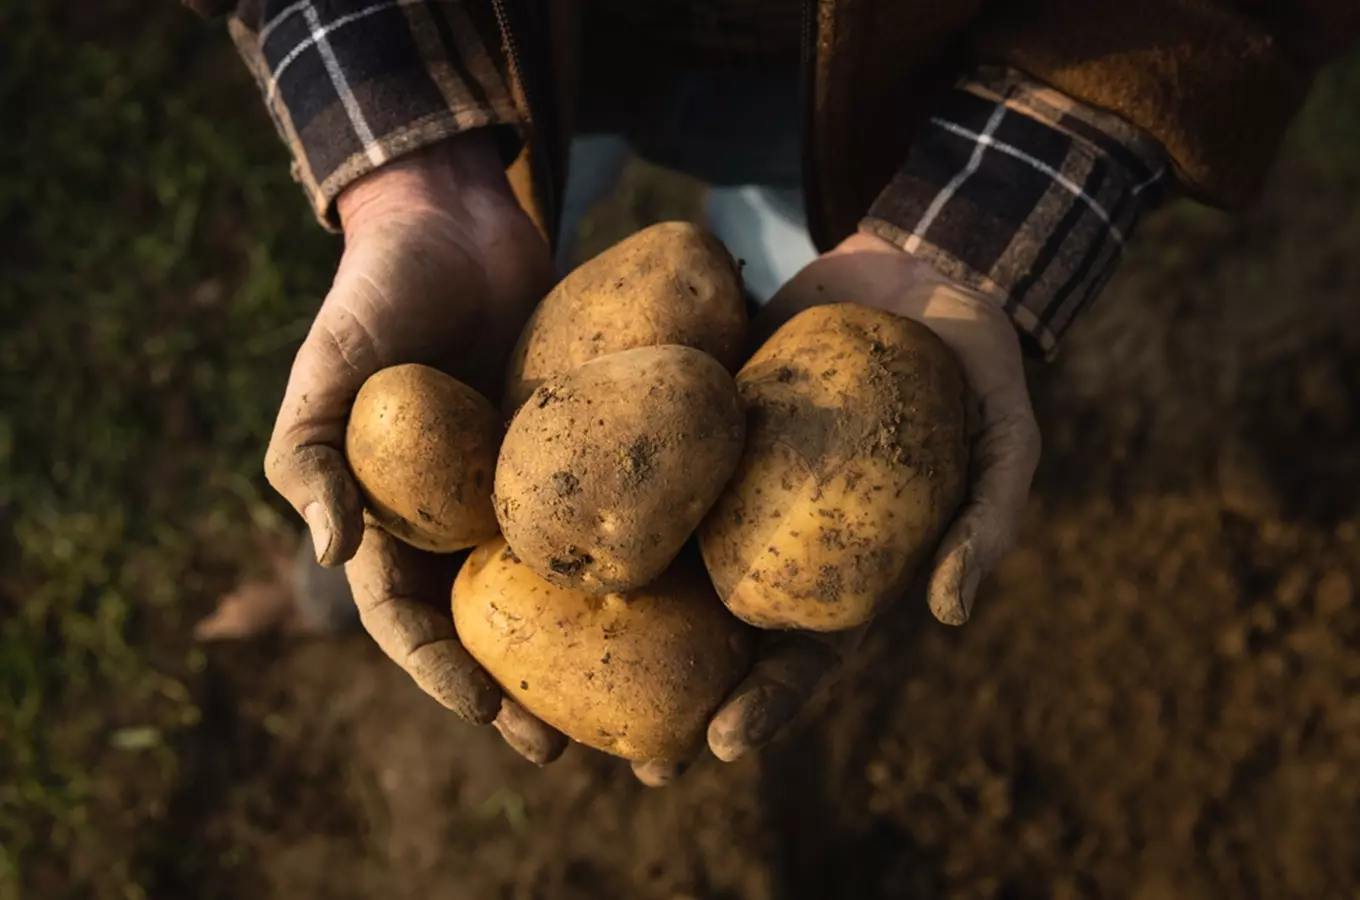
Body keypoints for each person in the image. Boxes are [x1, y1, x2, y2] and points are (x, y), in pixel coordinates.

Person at [186, 0, 1358, 784]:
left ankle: (330, 578)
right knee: (396, 428)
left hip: (903, 95)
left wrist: (967, 242)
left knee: (783, 278)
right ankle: (324, 585)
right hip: (487, 44)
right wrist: (407, 174)